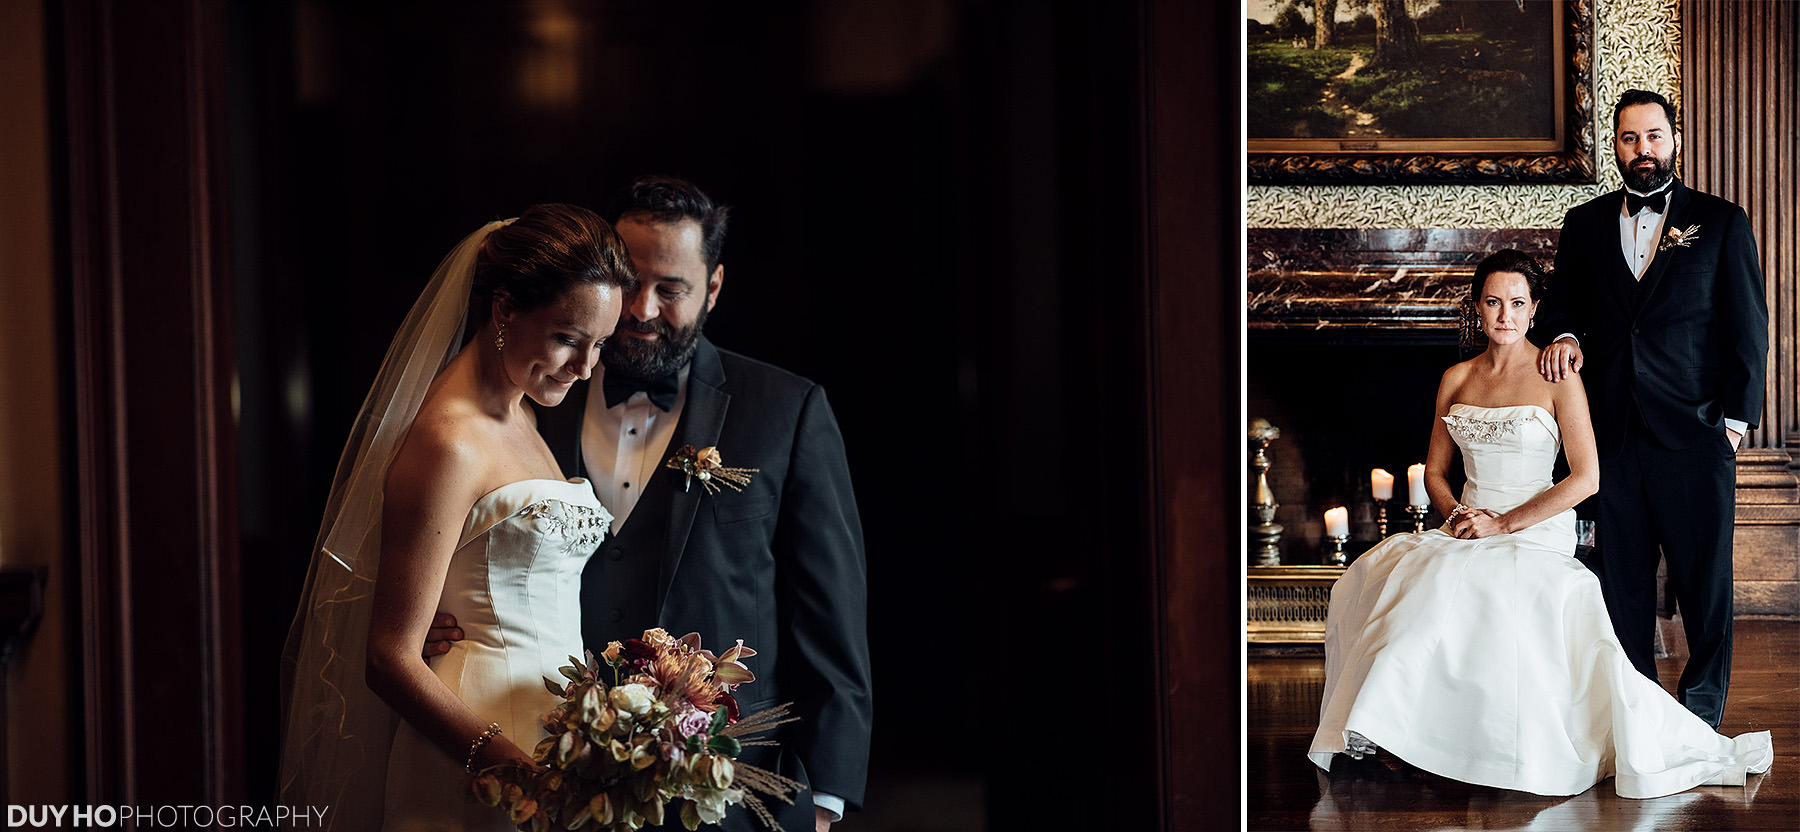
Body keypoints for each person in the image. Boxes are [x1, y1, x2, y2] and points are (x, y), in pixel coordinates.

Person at [429, 176, 873, 832]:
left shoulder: (787, 412)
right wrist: (441, 602)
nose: (641, 308)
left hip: (726, 793)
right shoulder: (533, 394)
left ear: (712, 289)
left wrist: (826, 803)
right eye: (631, 281)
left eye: (671, 289)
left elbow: (831, 621)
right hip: (548, 766)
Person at [1308, 250, 1772, 798]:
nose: (1505, 315)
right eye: (1493, 303)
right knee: (1406, 588)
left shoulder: (1557, 376)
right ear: (1476, 309)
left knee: (1478, 590)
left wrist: (1503, 525)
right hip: (1469, 522)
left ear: (1534, 311)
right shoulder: (1456, 378)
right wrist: (1458, 514)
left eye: (1518, 304)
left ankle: (1481, 745)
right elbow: (1434, 471)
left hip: (1533, 525)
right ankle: (1409, 737)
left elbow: (1587, 478)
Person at [279, 204, 636, 830]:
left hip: (561, 742)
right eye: (567, 337)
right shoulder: (449, 440)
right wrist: (518, 771)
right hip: (476, 753)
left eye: (599, 344)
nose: (585, 368)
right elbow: (389, 657)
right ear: (504, 310)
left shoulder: (523, 417)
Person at [1533, 89, 1769, 728]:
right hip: (1610, 436)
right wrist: (1563, 336)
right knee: (1621, 581)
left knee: (1703, 584)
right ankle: (1634, 713)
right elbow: (1561, 310)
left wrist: (1735, 424)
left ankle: (1697, 719)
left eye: (1655, 136)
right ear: (1614, 145)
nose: (1644, 150)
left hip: (1697, 432)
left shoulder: (1722, 222)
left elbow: (1748, 327)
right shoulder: (1582, 225)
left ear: (1676, 141)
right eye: (1631, 138)